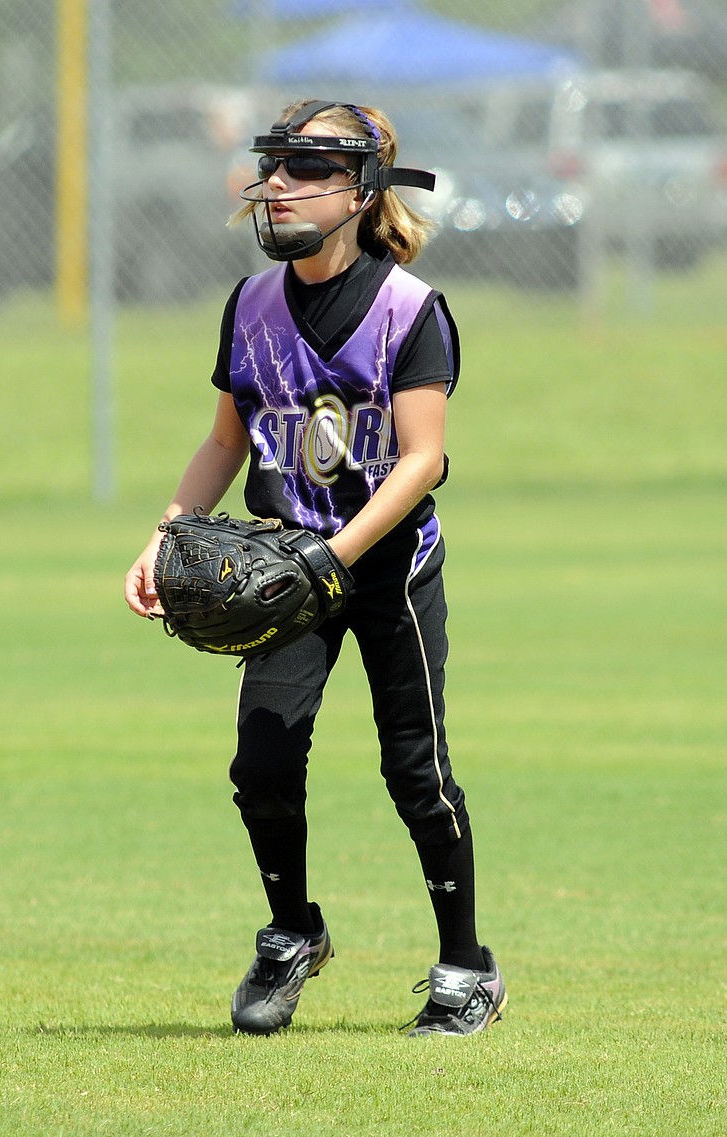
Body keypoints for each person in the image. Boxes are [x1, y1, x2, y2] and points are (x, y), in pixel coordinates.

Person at [125, 99, 506, 1037]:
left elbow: (422, 459)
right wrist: (165, 535)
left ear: (361, 188)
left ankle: (467, 965)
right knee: (261, 761)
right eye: (276, 168)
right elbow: (225, 441)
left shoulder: (410, 310)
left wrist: (334, 555)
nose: (280, 188)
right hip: (284, 568)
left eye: (306, 170)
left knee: (414, 769)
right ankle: (292, 933)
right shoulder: (250, 305)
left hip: (382, 568)